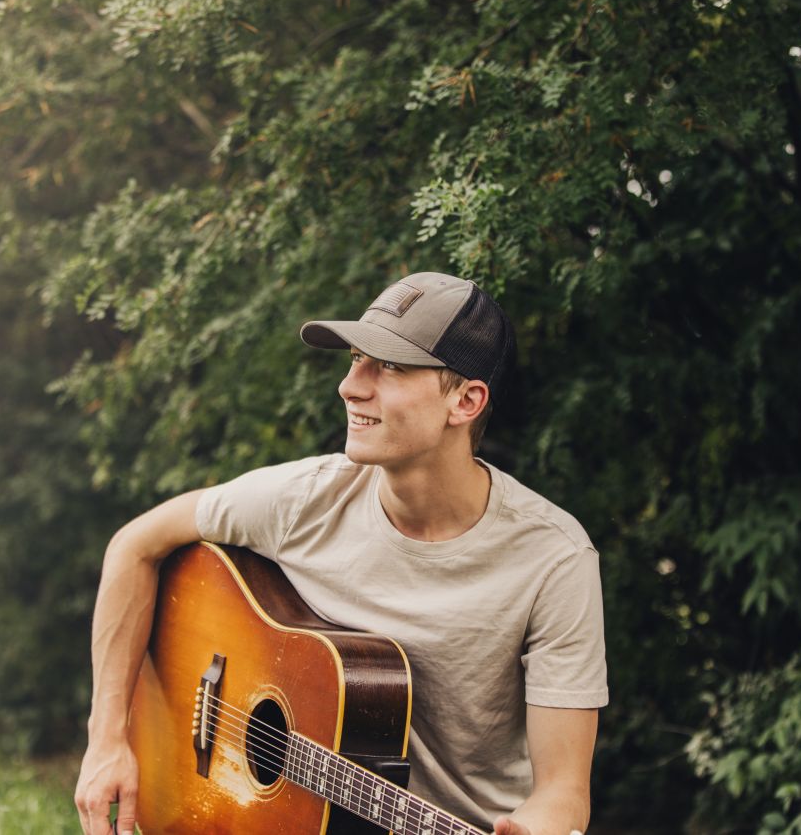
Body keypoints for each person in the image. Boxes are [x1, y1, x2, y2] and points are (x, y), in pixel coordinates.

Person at [75, 272, 608, 835]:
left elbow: (564, 795)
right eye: (356, 359)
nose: (351, 386)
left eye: (391, 366)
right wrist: (107, 739)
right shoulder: (307, 499)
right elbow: (135, 546)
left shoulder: (554, 560)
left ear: (467, 400)